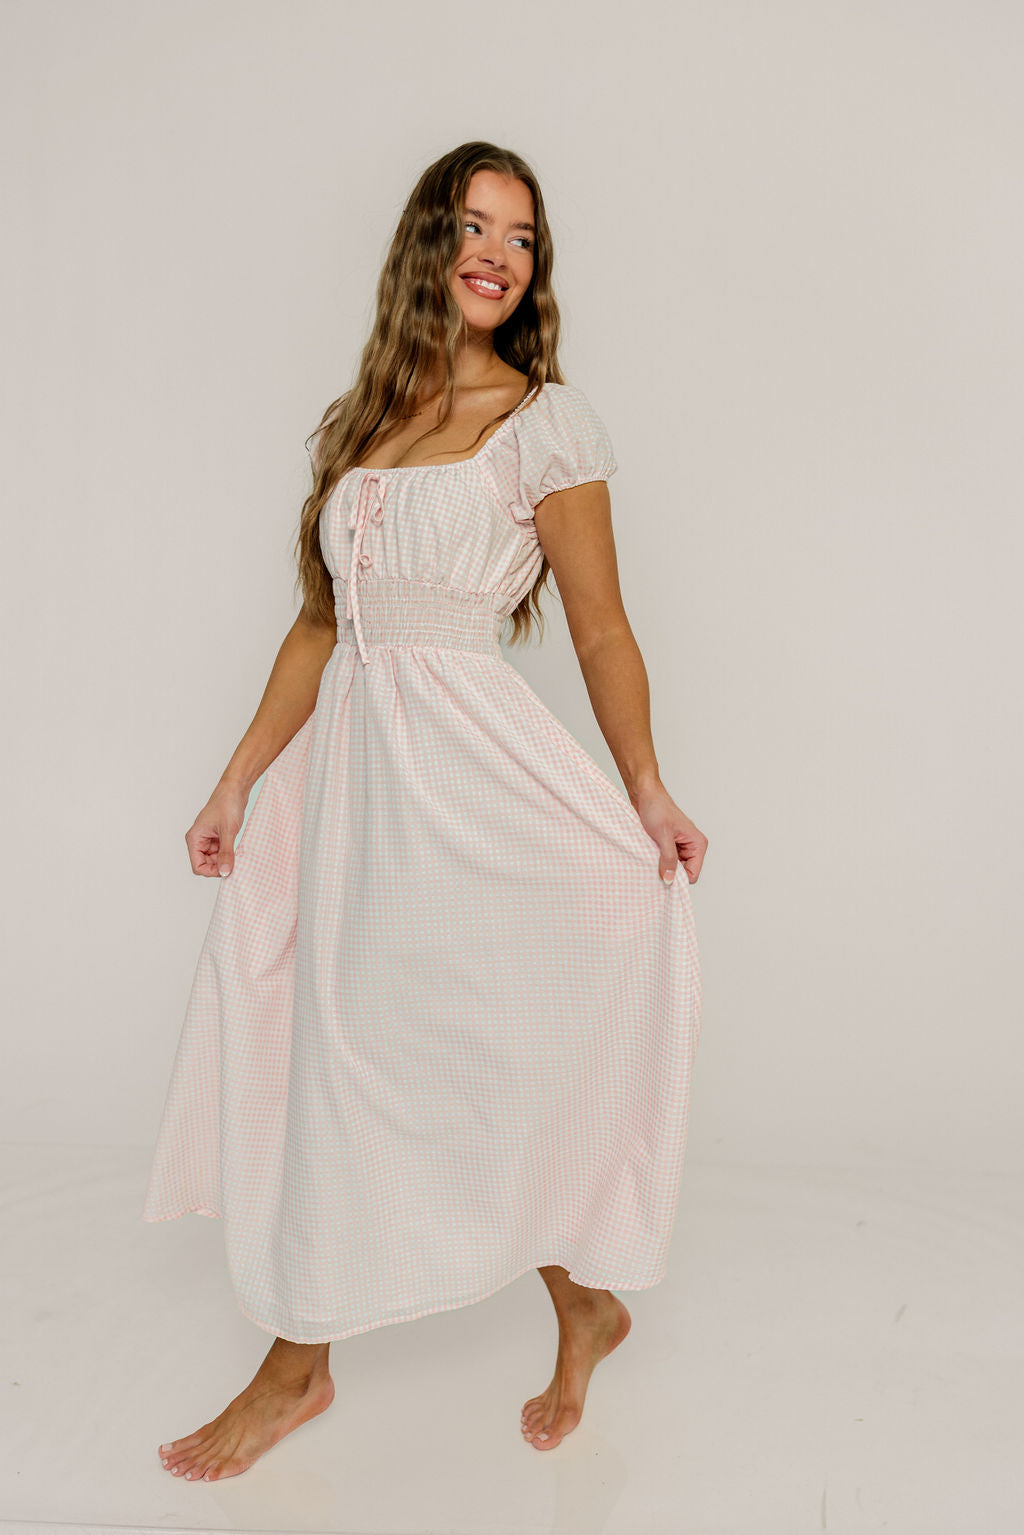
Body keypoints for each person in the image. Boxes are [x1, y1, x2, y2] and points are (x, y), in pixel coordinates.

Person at [144, 140, 707, 1483]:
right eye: (473, 225)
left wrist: (645, 787)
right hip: (360, 790)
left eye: (522, 236)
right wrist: (234, 782)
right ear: (426, 243)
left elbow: (603, 628)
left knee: (476, 1048)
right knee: (349, 1053)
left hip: (472, 780)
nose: (497, 254)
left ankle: (569, 1303)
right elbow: (320, 627)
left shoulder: (546, 423)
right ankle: (308, 1364)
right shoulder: (368, 421)